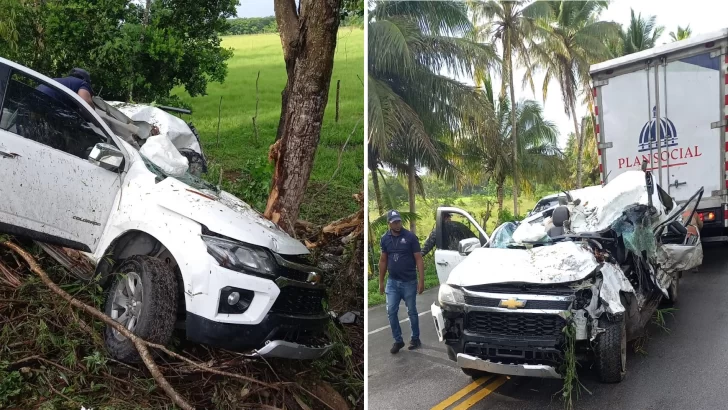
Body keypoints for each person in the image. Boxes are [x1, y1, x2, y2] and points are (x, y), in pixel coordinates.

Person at [379, 209, 425, 354]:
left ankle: (415, 338)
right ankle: (398, 340)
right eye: (394, 222)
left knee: (412, 311)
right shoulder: (385, 238)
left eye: (399, 221)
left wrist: (421, 280)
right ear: (389, 224)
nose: (397, 224)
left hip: (409, 282)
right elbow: (383, 260)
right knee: (391, 311)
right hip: (392, 282)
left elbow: (418, 258)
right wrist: (381, 281)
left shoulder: (410, 237)